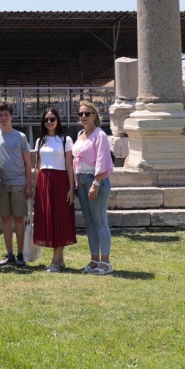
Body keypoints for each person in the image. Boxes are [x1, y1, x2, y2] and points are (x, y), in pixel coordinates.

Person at [31, 108, 77, 271]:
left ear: (57, 120)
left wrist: (71, 188)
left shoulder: (66, 139)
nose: (49, 122)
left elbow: (69, 165)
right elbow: (37, 166)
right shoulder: (39, 141)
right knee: (48, 219)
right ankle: (60, 261)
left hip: (60, 181)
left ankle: (55, 262)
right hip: (44, 181)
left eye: (52, 119)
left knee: (60, 219)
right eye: (46, 120)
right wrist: (35, 188)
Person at [0, 102, 33, 268]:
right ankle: (10, 254)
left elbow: (28, 163)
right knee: (5, 220)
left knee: (19, 219)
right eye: (0, 115)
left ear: (11, 116)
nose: (3, 118)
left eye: (6, 114)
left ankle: (21, 254)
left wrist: (29, 185)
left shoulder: (20, 137)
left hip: (19, 183)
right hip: (2, 184)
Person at [73, 101, 114, 274]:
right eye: (80, 114)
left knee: (100, 221)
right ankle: (94, 259)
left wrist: (96, 183)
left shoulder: (100, 135)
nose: (83, 117)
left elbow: (102, 159)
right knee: (89, 223)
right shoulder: (80, 134)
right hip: (81, 181)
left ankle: (106, 262)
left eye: (87, 113)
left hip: (95, 181)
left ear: (94, 116)